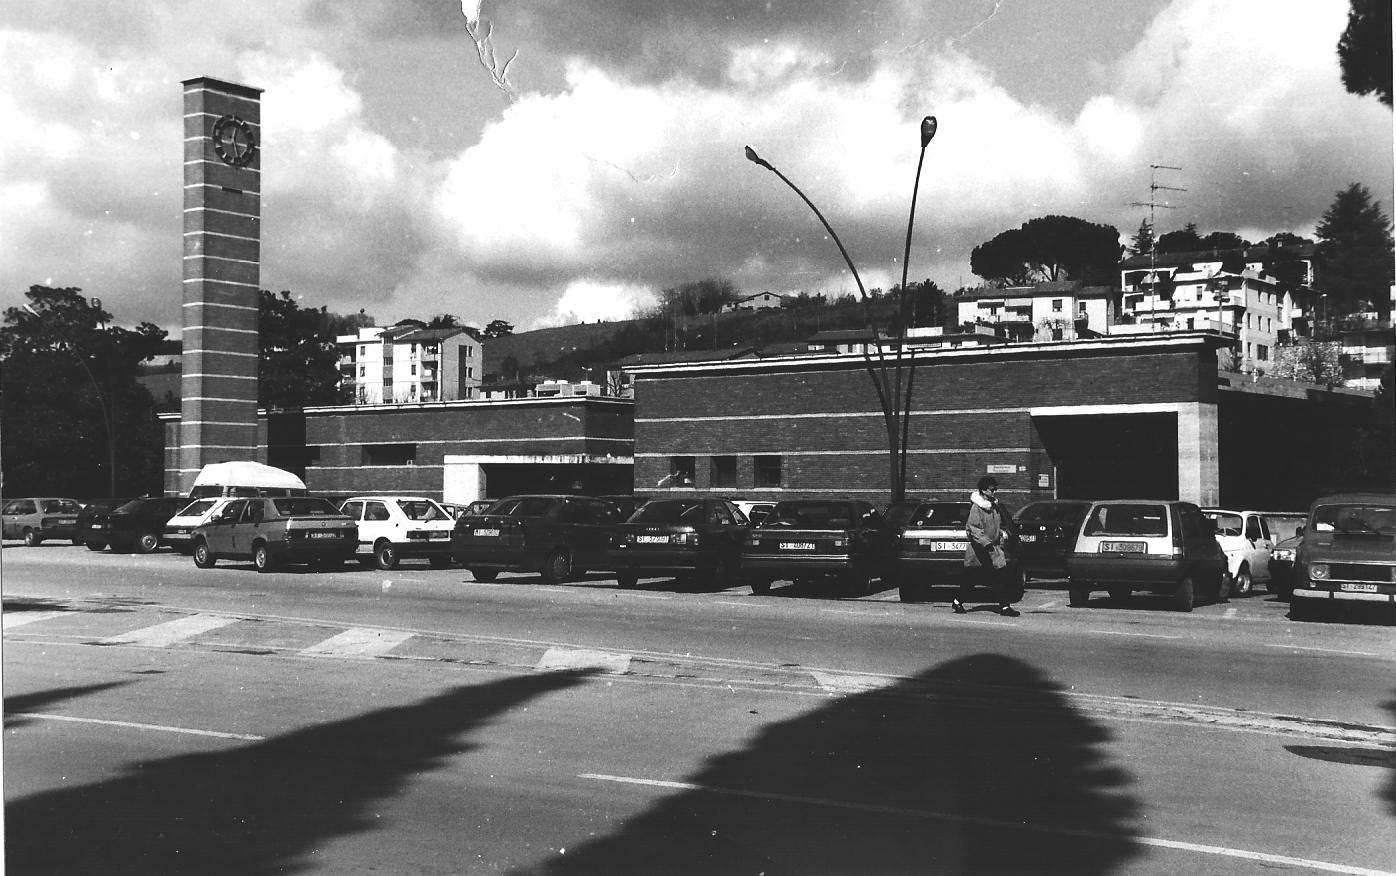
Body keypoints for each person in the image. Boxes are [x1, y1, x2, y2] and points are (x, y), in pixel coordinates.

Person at [954, 476, 1021, 617]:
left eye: (996, 489)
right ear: (984, 490)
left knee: (1001, 576)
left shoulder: (993, 506)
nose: (995, 492)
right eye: (992, 489)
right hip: (980, 549)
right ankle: (957, 600)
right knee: (972, 577)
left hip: (993, 548)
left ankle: (1004, 607)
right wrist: (986, 543)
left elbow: (997, 526)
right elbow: (974, 528)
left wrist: (1000, 537)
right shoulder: (976, 508)